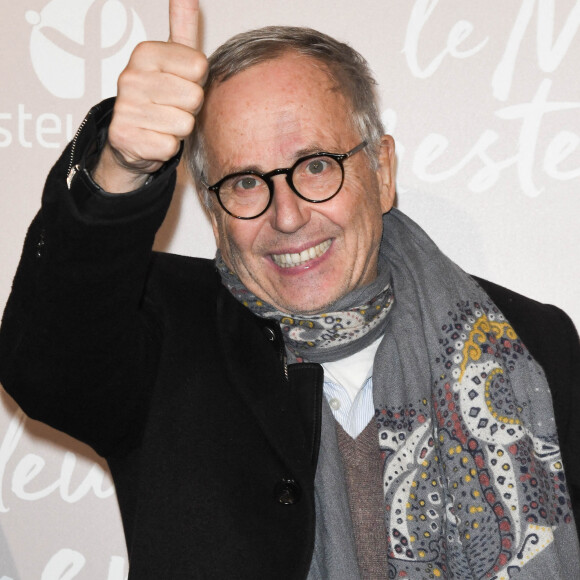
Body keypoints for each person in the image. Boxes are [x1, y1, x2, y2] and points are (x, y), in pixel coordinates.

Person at [1, 0, 579, 577]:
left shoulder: (535, 342)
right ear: (212, 206)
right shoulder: (161, 334)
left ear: (382, 173)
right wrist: (121, 168)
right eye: (247, 181)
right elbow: (47, 365)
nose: (287, 215)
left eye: (317, 166)